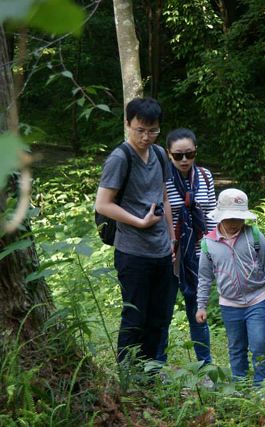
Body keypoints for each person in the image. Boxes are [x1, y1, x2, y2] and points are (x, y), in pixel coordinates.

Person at [95, 97, 175, 366]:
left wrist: (172, 238)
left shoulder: (160, 154)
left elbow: (164, 197)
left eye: (152, 130)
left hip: (161, 250)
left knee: (159, 316)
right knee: (135, 316)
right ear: (128, 123)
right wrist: (138, 222)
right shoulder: (120, 158)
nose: (146, 137)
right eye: (140, 129)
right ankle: (128, 377)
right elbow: (103, 204)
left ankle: (150, 376)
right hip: (132, 251)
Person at [195, 188, 265, 385]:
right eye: (230, 218)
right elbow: (205, 277)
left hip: (257, 298)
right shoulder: (209, 243)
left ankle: (262, 384)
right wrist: (201, 305)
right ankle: (239, 383)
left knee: (259, 343)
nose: (235, 223)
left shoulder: (255, 236)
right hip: (229, 303)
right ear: (220, 217)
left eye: (239, 218)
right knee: (236, 345)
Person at [157, 128, 217, 364]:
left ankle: (206, 366)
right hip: (170, 253)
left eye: (189, 154)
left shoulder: (204, 176)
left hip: (199, 253)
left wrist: (212, 247)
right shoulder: (162, 176)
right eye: (178, 155)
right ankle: (158, 365)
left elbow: (211, 213)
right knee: (164, 312)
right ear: (169, 155)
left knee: (198, 310)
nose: (184, 160)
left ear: (195, 152)